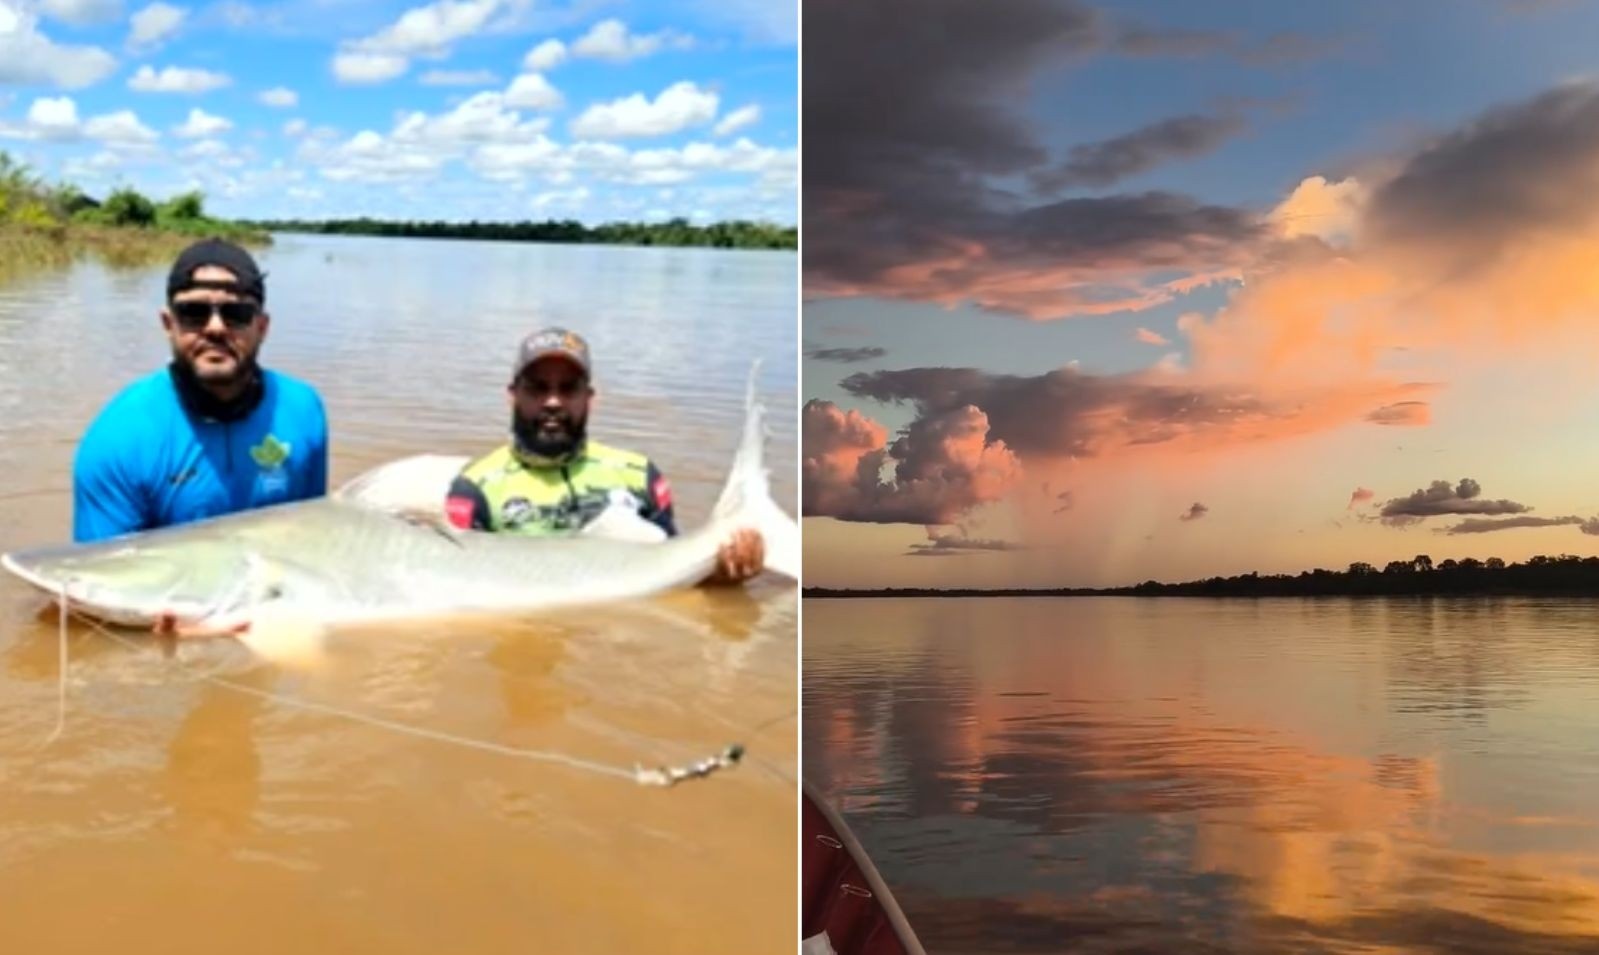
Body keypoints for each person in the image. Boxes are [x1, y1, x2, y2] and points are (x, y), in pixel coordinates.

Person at [444, 326, 763, 585]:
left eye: (568, 389)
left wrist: (725, 572)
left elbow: (676, 572)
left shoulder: (638, 475)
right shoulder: (475, 488)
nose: (553, 402)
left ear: (589, 399)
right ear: (513, 397)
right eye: (537, 388)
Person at [72, 237, 329, 543]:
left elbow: (312, 536)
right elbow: (97, 579)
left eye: (236, 314)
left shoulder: (304, 410)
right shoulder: (119, 439)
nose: (215, 328)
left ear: (262, 327)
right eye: (194, 312)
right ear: (169, 324)